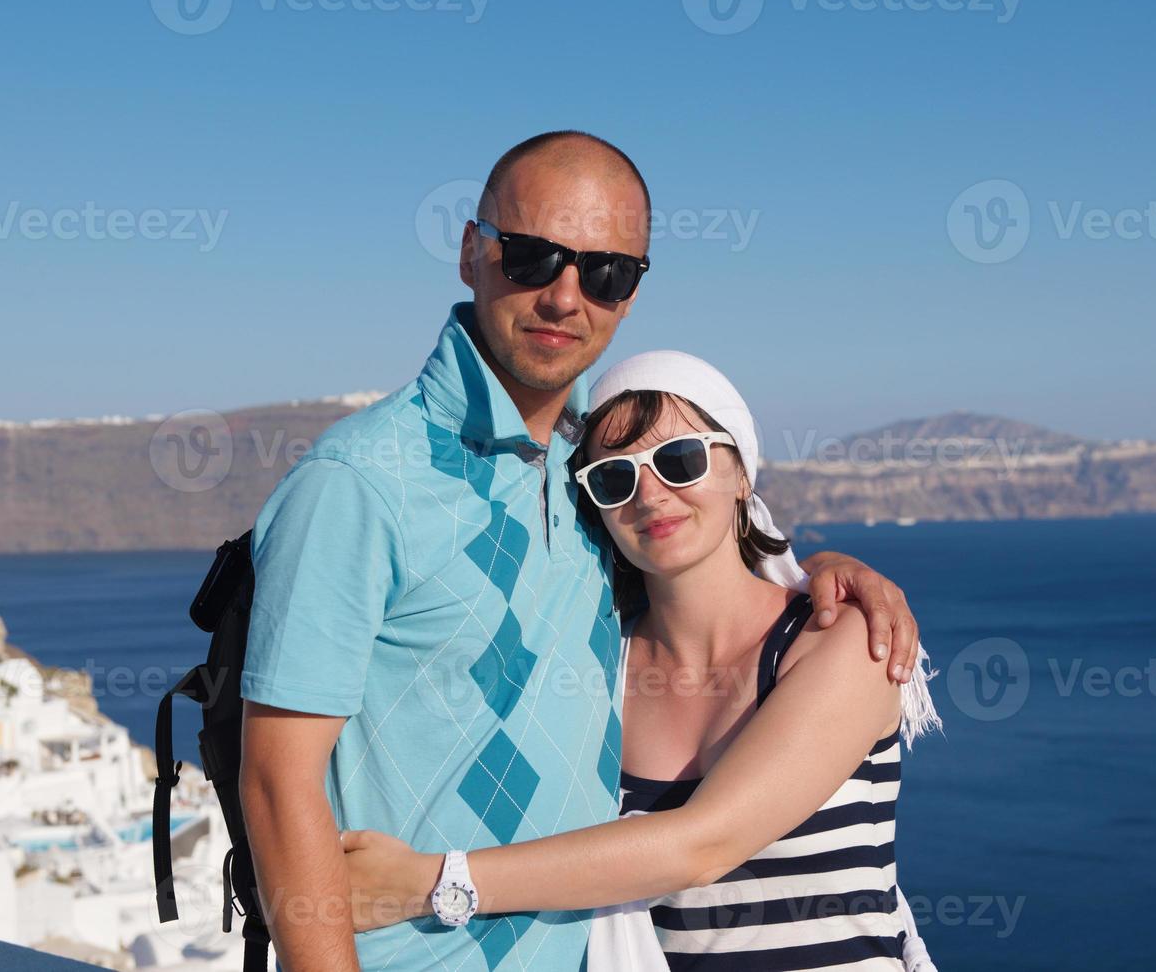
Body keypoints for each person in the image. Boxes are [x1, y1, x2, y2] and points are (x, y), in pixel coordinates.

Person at [238, 130, 927, 972]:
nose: (566, 296)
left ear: (631, 292)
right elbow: (277, 781)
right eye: (531, 257)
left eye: (604, 272)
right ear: (470, 251)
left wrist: (833, 572)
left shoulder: (575, 484)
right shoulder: (361, 482)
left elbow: (701, 836)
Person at [339, 352, 941, 970]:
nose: (650, 495)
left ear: (740, 473)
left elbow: (703, 846)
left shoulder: (842, 641)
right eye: (614, 478)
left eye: (682, 460)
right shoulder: (599, 662)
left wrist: (432, 884)